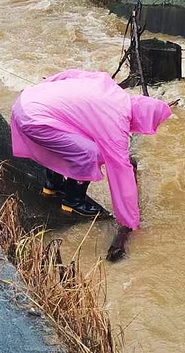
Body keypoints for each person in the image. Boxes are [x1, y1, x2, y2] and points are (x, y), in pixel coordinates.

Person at [9, 69, 173, 261]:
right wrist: (131, 221)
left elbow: (71, 74)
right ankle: (73, 201)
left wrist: (45, 83)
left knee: (71, 141)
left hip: (26, 100)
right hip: (34, 119)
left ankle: (53, 186)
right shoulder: (116, 121)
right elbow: (121, 172)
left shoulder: (109, 85)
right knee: (92, 153)